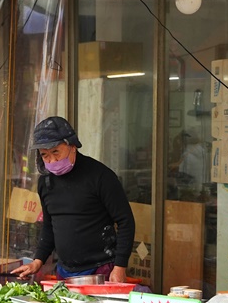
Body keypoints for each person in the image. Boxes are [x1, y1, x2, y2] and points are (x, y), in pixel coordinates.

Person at [11, 117, 135, 283]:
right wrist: (38, 261)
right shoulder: (46, 182)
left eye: (56, 152)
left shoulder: (100, 176)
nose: (52, 160)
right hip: (65, 270)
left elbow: (125, 221)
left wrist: (120, 266)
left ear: (72, 146)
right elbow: (50, 225)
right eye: (45, 155)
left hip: (102, 269)